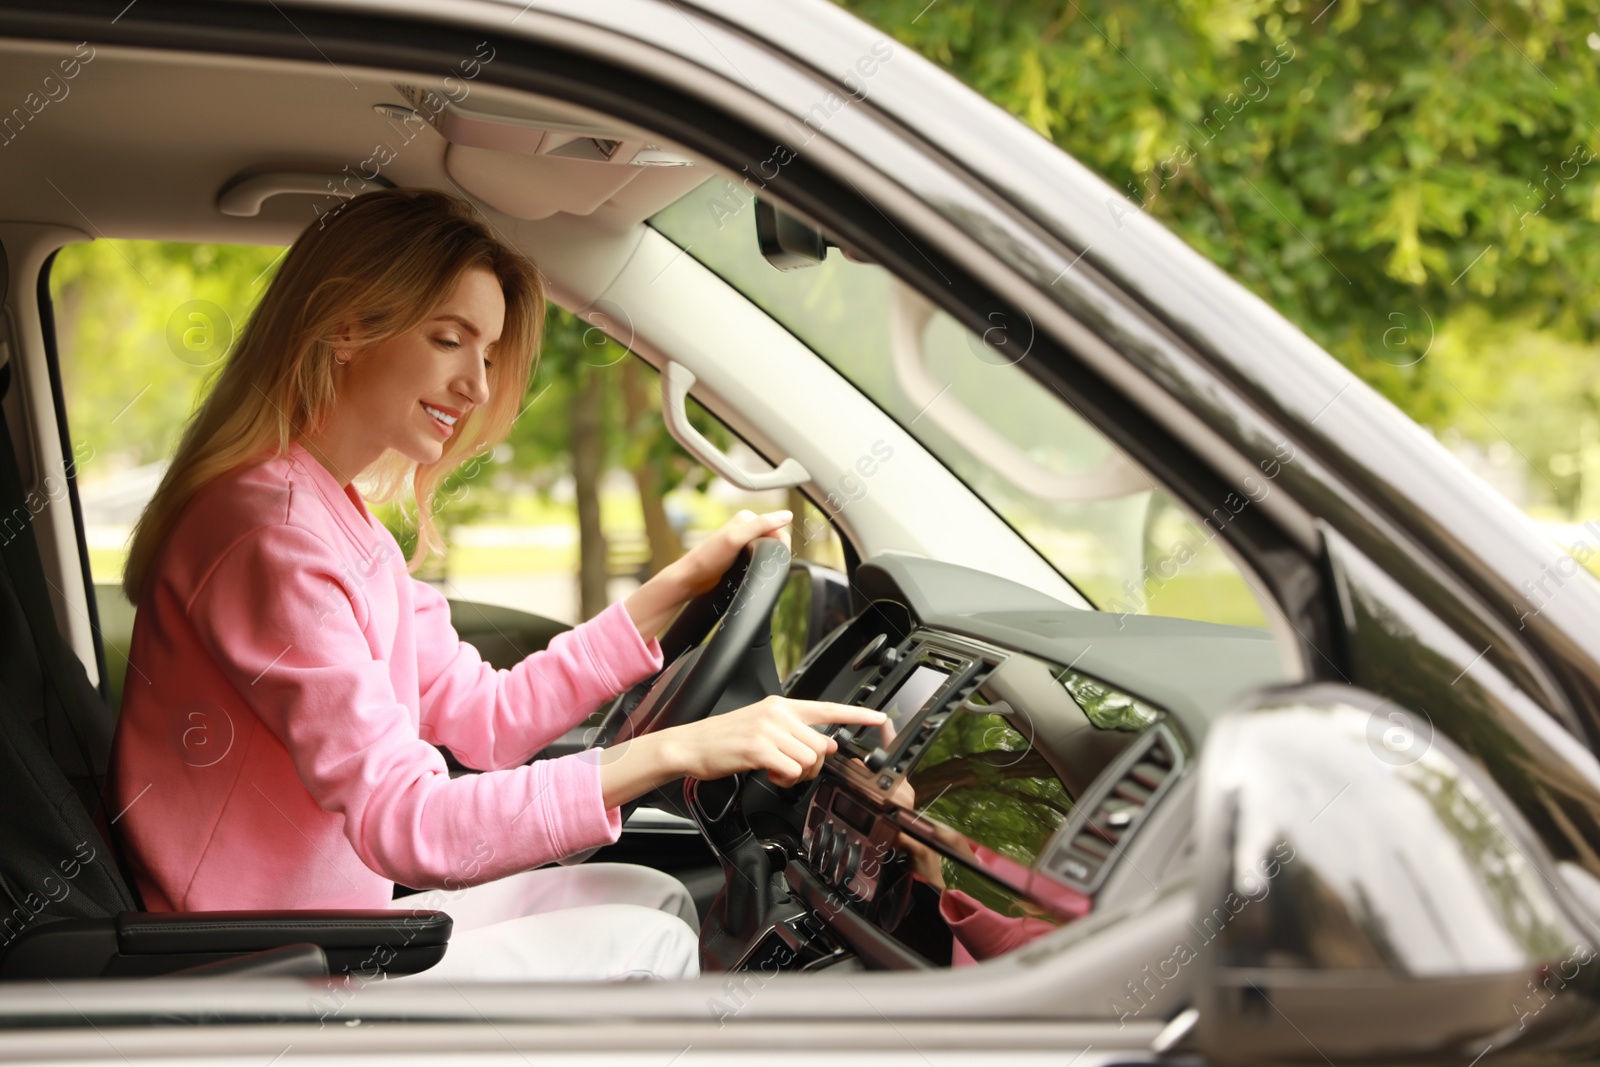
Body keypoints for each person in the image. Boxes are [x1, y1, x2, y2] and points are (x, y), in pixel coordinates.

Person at [107, 187, 886, 983]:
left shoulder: (338, 523)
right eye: (451, 340)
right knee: (649, 946)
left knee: (651, 898)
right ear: (346, 326)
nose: (477, 387)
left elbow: (489, 718)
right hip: (262, 979)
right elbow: (408, 825)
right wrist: (675, 749)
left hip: (330, 934)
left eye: (485, 354)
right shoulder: (271, 538)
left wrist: (676, 588)